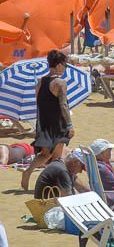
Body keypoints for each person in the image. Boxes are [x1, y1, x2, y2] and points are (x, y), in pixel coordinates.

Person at [21, 50, 75, 190]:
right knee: (56, 156)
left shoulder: (40, 81)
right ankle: (53, 183)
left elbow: (40, 101)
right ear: (58, 65)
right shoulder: (60, 82)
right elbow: (63, 105)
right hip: (57, 123)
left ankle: (28, 172)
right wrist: (69, 124)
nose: (65, 68)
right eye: (65, 65)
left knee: (45, 154)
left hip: (44, 122)